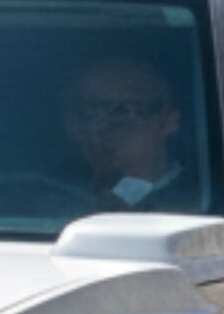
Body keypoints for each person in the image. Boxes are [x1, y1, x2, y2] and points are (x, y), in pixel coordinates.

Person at [62, 55, 188, 209]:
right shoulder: (50, 203)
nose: (98, 127)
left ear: (169, 122)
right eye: (86, 113)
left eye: (122, 110)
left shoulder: (196, 207)